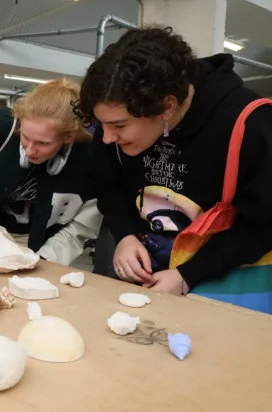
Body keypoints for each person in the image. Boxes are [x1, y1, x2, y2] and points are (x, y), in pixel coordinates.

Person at [73, 26, 272, 312]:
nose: (106, 138)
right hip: (146, 273)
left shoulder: (250, 124)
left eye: (119, 126)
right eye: (100, 124)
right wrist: (125, 235)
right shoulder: (114, 120)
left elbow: (263, 223)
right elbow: (107, 183)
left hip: (223, 275)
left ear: (167, 106)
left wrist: (187, 276)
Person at [0, 79, 102, 266]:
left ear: (69, 135)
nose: (30, 151)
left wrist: (44, 258)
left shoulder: (91, 161)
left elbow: (82, 227)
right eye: (25, 137)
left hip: (39, 245)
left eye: (43, 143)